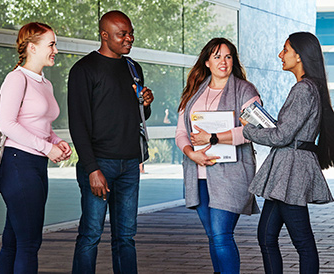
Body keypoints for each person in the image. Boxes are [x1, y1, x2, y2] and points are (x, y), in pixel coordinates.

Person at [68, 10, 154, 274]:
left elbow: (139, 116)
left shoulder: (132, 67)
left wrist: (146, 103)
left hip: (129, 164)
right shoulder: (84, 70)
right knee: (90, 235)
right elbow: (78, 125)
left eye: (130, 33)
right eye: (122, 34)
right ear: (105, 36)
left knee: (126, 238)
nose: (129, 38)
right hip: (99, 164)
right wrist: (92, 169)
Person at [241, 32, 334, 273]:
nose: (280, 55)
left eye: (285, 49)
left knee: (302, 242)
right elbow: (286, 131)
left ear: (300, 56)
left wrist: (248, 130)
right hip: (286, 170)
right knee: (266, 236)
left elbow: (282, 136)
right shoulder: (310, 88)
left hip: (290, 172)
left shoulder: (304, 89)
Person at [175, 37, 260, 274]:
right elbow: (181, 132)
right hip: (199, 174)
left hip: (232, 175)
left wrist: (212, 138)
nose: (224, 61)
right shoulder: (194, 93)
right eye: (217, 56)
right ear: (207, 62)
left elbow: (254, 131)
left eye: (228, 56)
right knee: (213, 236)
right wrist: (191, 154)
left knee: (222, 235)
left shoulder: (246, 90)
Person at [0, 22, 72, 274]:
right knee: (29, 243)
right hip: (18, 164)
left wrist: (55, 142)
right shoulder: (16, 79)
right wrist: (46, 147)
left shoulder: (45, 83)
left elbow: (40, 125)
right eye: (51, 44)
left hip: (35, 165)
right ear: (32, 47)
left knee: (14, 240)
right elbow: (6, 123)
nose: (55, 50)